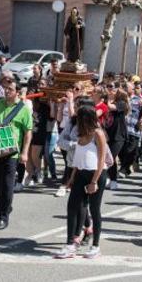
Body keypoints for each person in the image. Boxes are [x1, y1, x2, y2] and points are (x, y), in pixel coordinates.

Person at [56, 105, 107, 259]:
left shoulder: (98, 134)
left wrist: (94, 181)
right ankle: (70, 244)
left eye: (80, 118)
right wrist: (71, 178)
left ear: (87, 119)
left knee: (94, 209)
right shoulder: (80, 134)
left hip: (95, 174)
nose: (77, 121)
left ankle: (96, 246)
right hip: (80, 173)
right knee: (72, 207)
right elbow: (78, 158)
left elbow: (102, 159)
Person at [0, 79, 33, 230]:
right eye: (5, 88)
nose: (6, 91)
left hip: (11, 153)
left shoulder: (23, 109)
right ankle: (6, 206)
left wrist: (24, 152)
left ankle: (2, 217)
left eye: (10, 89)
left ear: (17, 92)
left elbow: (28, 133)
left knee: (7, 186)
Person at [119, 82, 142, 177]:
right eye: (123, 86)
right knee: (121, 150)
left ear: (132, 89)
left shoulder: (139, 100)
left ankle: (123, 169)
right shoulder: (121, 100)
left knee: (130, 150)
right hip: (121, 129)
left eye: (126, 87)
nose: (124, 88)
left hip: (134, 129)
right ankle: (126, 168)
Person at [25, 79, 50, 186]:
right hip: (28, 131)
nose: (40, 86)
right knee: (28, 155)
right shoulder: (28, 104)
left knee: (35, 155)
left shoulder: (45, 105)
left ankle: (39, 171)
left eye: (43, 84)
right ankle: (30, 175)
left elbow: (51, 116)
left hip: (39, 131)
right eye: (39, 84)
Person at [105, 87, 129, 190]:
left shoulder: (122, 103)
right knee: (109, 157)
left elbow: (110, 107)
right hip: (108, 134)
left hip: (118, 135)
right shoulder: (111, 101)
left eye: (114, 91)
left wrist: (107, 98)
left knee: (111, 157)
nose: (111, 92)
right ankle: (111, 178)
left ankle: (113, 180)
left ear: (119, 94)